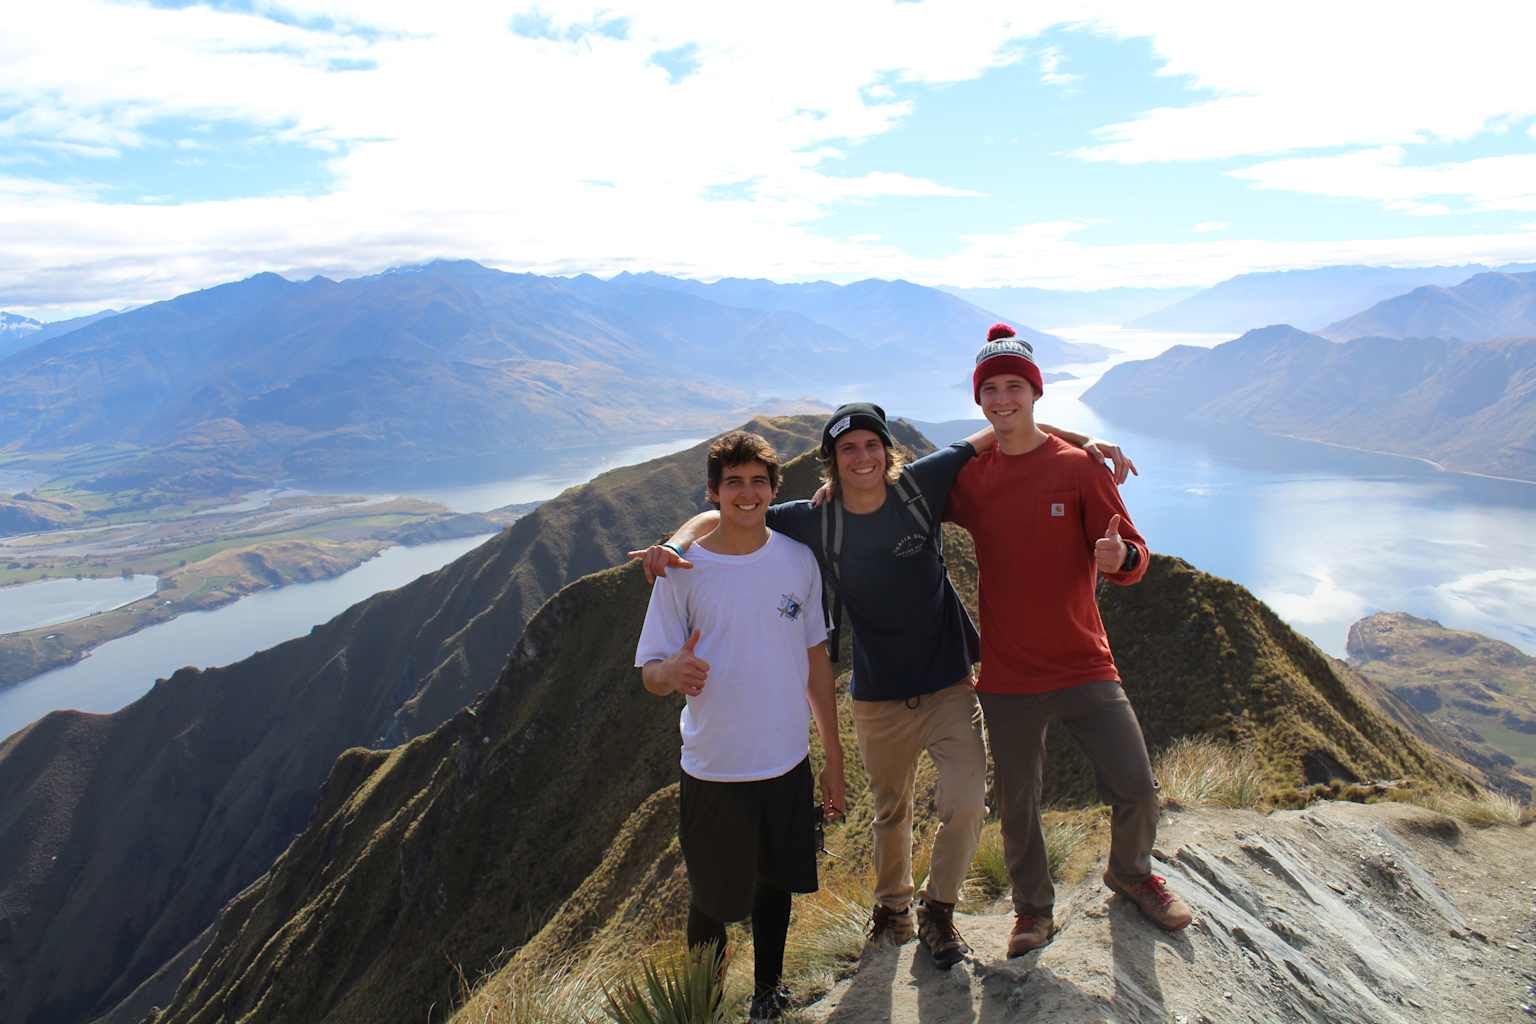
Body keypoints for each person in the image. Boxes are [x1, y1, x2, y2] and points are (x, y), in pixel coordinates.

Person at [632, 407, 1134, 971]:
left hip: (948, 684)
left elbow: (1002, 429)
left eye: (872, 445)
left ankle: (938, 912)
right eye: (849, 450)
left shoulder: (923, 483)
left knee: (967, 802)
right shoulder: (815, 520)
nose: (863, 457)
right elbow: (732, 514)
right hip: (876, 696)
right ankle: (891, 911)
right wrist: (673, 542)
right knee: (891, 812)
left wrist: (1087, 441)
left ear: (889, 451)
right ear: (832, 464)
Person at [945, 324, 1192, 958]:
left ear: (1035, 393)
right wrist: (844, 487)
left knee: (1136, 785)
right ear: (980, 400)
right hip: (1008, 677)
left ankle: (1131, 872)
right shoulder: (972, 480)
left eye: (1014, 388)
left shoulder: (1078, 469)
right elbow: (903, 490)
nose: (1003, 400)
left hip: (1085, 663)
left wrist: (1118, 556)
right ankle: (1032, 911)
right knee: (1019, 802)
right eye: (991, 389)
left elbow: (1136, 556)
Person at [634, 431, 844, 1023]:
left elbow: (816, 661)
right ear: (713, 491)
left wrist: (833, 757)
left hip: (785, 760)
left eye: (758, 482)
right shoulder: (684, 570)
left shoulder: (797, 561)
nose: (746, 494)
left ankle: (766, 996)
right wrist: (671, 671)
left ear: (774, 490)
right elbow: (649, 673)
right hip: (714, 767)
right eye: (734, 483)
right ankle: (703, 1006)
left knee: (774, 888)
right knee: (713, 900)